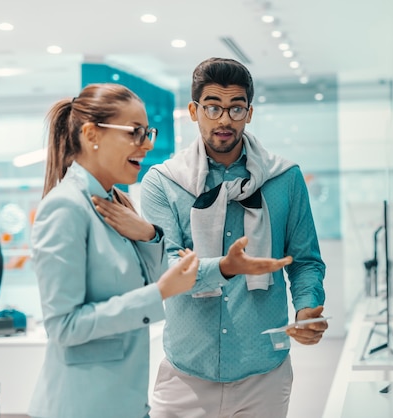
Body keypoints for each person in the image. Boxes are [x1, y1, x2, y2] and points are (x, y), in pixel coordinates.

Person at [140, 57, 327, 417]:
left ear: (249, 113)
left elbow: (304, 261)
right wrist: (225, 267)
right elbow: (167, 267)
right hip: (185, 374)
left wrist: (306, 308)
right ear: (194, 111)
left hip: (264, 375)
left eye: (235, 108)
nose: (224, 119)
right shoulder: (163, 182)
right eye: (212, 107)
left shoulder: (284, 179)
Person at [28, 83, 199, 418]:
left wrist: (149, 236)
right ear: (92, 134)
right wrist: (160, 292)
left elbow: (149, 280)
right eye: (135, 133)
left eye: (147, 132)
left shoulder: (114, 204)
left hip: (123, 402)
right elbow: (63, 326)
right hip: (81, 406)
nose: (147, 144)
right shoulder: (65, 208)